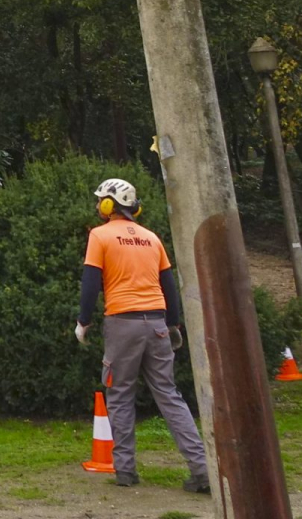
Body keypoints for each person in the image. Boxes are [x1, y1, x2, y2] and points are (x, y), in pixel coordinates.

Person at [75, 178, 210, 494]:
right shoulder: (152, 238)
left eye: (101, 200)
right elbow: (169, 286)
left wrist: (83, 321)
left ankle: (126, 471)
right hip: (158, 324)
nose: (97, 206)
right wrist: (174, 327)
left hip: (123, 323)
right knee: (169, 395)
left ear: (110, 205)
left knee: (120, 393)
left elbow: (91, 282)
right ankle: (202, 469)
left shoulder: (100, 235)